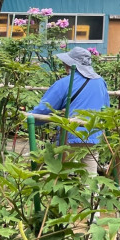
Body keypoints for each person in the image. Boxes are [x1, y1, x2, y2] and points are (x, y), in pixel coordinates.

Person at [31, 46, 110, 175]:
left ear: (71, 64)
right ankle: (91, 195)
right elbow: (105, 108)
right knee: (89, 177)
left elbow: (44, 109)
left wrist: (28, 118)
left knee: (62, 174)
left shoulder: (65, 83)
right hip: (94, 136)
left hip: (71, 134)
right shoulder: (101, 82)